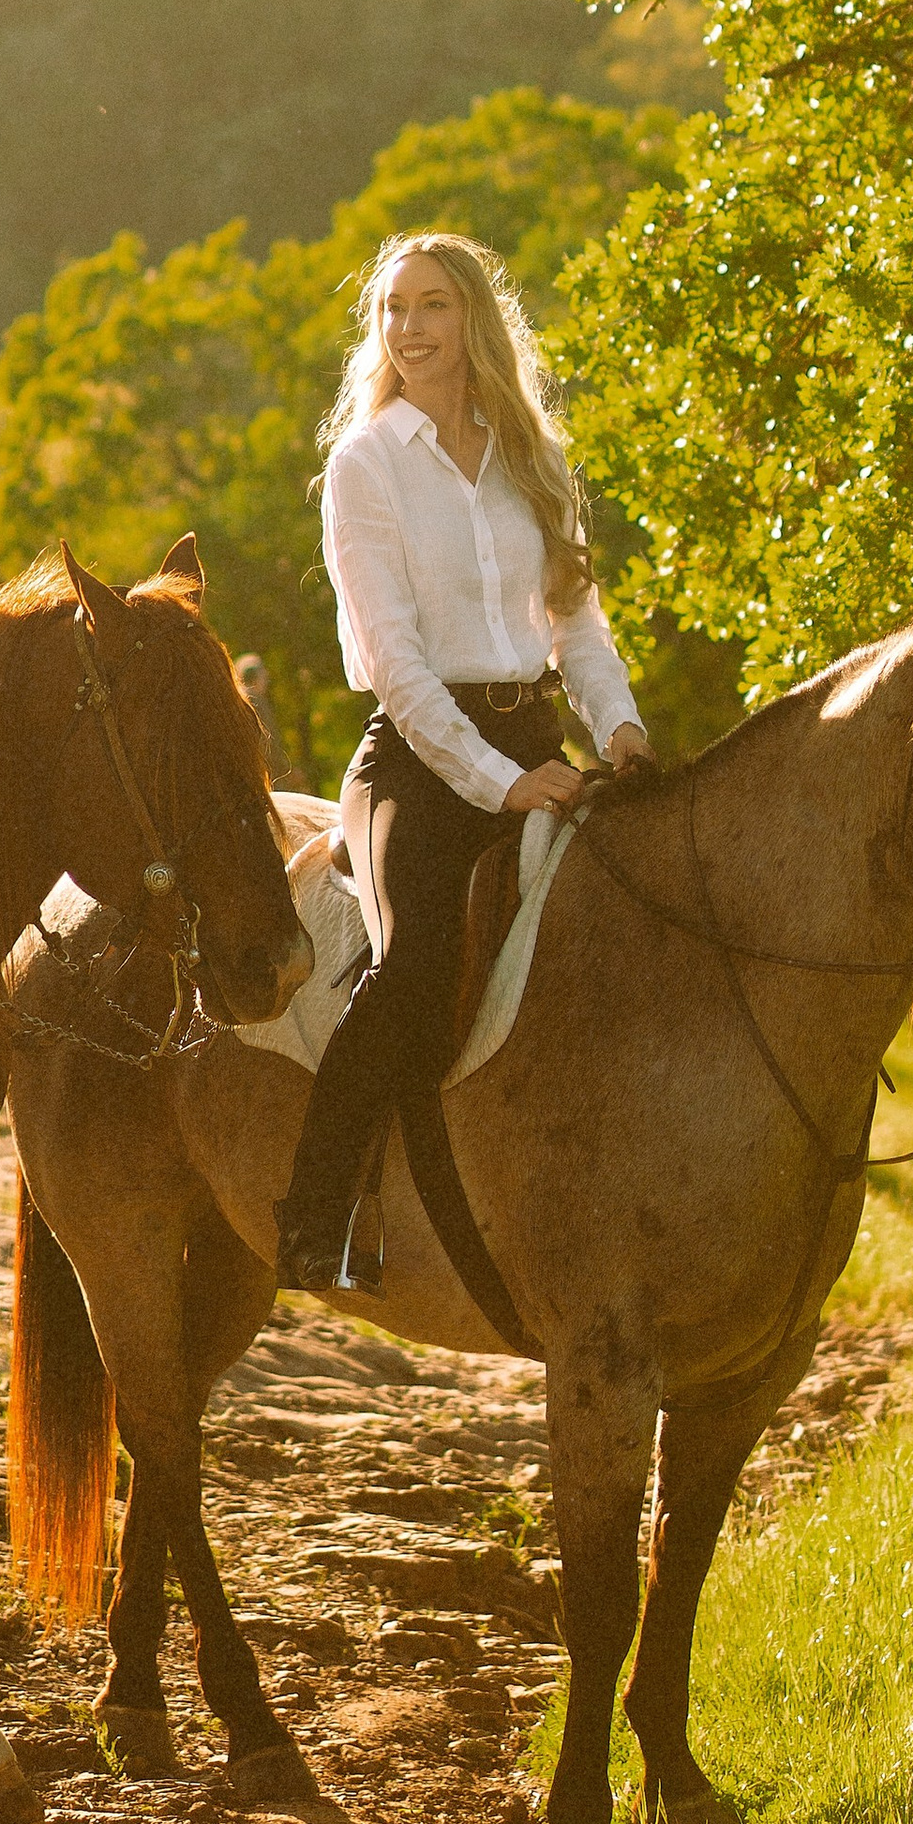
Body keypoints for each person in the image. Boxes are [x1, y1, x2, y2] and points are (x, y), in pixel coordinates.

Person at [272, 230, 652, 1297]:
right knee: (414, 963)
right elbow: (394, 665)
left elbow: (578, 630)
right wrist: (499, 782)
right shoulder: (364, 465)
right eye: (392, 309)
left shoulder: (531, 455)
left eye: (431, 305)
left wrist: (617, 729)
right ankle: (314, 1214)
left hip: (542, 739)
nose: (408, 327)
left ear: (474, 320)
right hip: (417, 764)